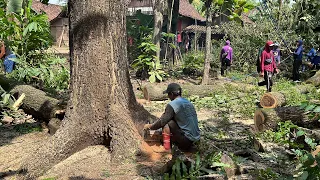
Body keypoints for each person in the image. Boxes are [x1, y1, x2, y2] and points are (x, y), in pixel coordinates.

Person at [143, 83, 200, 152]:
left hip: (186, 141)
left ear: (172, 94)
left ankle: (167, 149)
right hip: (196, 139)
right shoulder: (188, 103)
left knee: (167, 122)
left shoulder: (172, 104)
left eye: (168, 94)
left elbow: (162, 121)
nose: (168, 96)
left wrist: (150, 126)